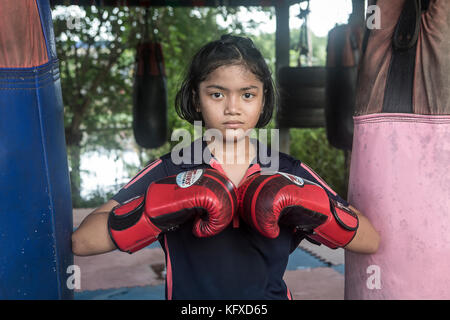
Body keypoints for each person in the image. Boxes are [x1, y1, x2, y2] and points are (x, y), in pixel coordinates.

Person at [71, 34, 380, 300]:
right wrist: (154, 209)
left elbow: (369, 239)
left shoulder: (287, 171)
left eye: (247, 95)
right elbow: (82, 242)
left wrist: (317, 210)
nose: (232, 108)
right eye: (217, 94)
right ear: (196, 98)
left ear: (263, 100)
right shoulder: (172, 169)